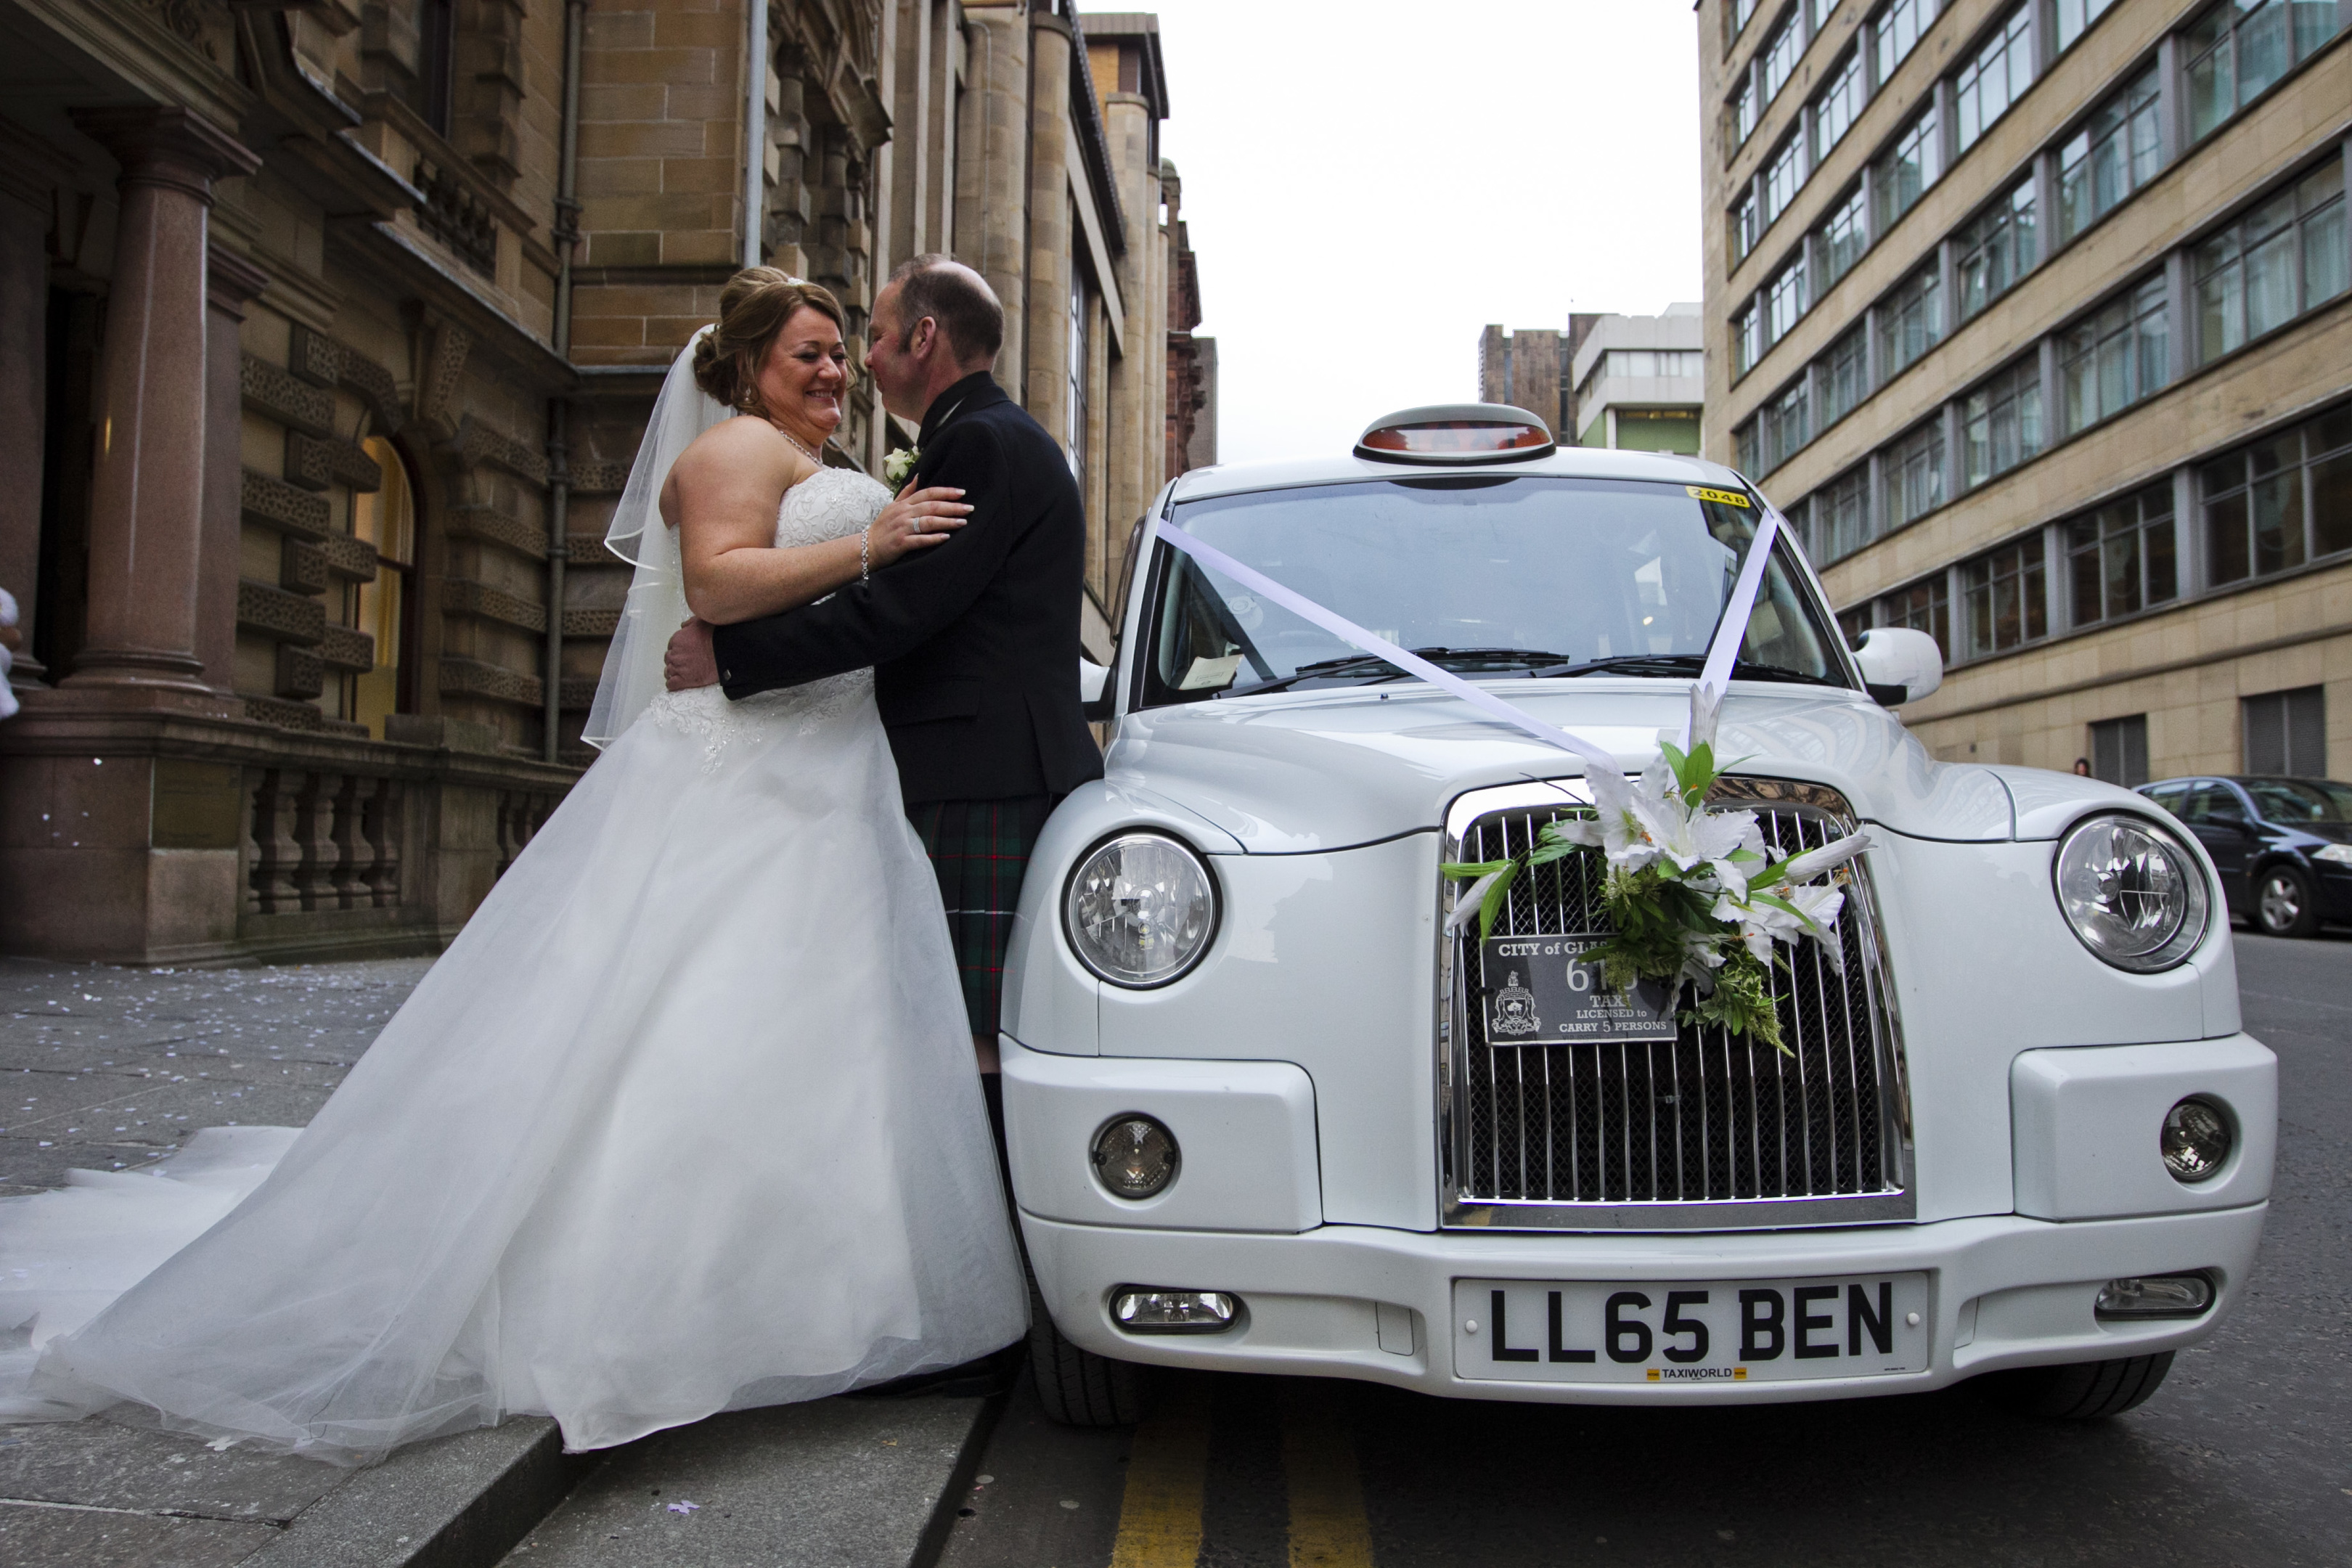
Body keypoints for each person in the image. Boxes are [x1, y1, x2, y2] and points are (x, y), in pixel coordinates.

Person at [0, 270, 1028, 1464]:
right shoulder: (738, 450)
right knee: (705, 1029)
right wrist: (871, 539)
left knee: (815, 1036)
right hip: (756, 775)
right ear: (748, 367)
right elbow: (718, 586)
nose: (833, 372)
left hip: (835, 770)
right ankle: (654, 1305)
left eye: (840, 353)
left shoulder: (807, 457)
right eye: (807, 353)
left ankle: (816, 1301)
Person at [665, 256, 1104, 1114]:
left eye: (866, 336)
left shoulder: (976, 441)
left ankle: (999, 1233)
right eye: (816, 353)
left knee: (967, 1027)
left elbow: (897, 614)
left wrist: (734, 661)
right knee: (946, 1021)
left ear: (923, 336)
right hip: (955, 767)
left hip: (976, 774)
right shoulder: (981, 437)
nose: (856, 363)